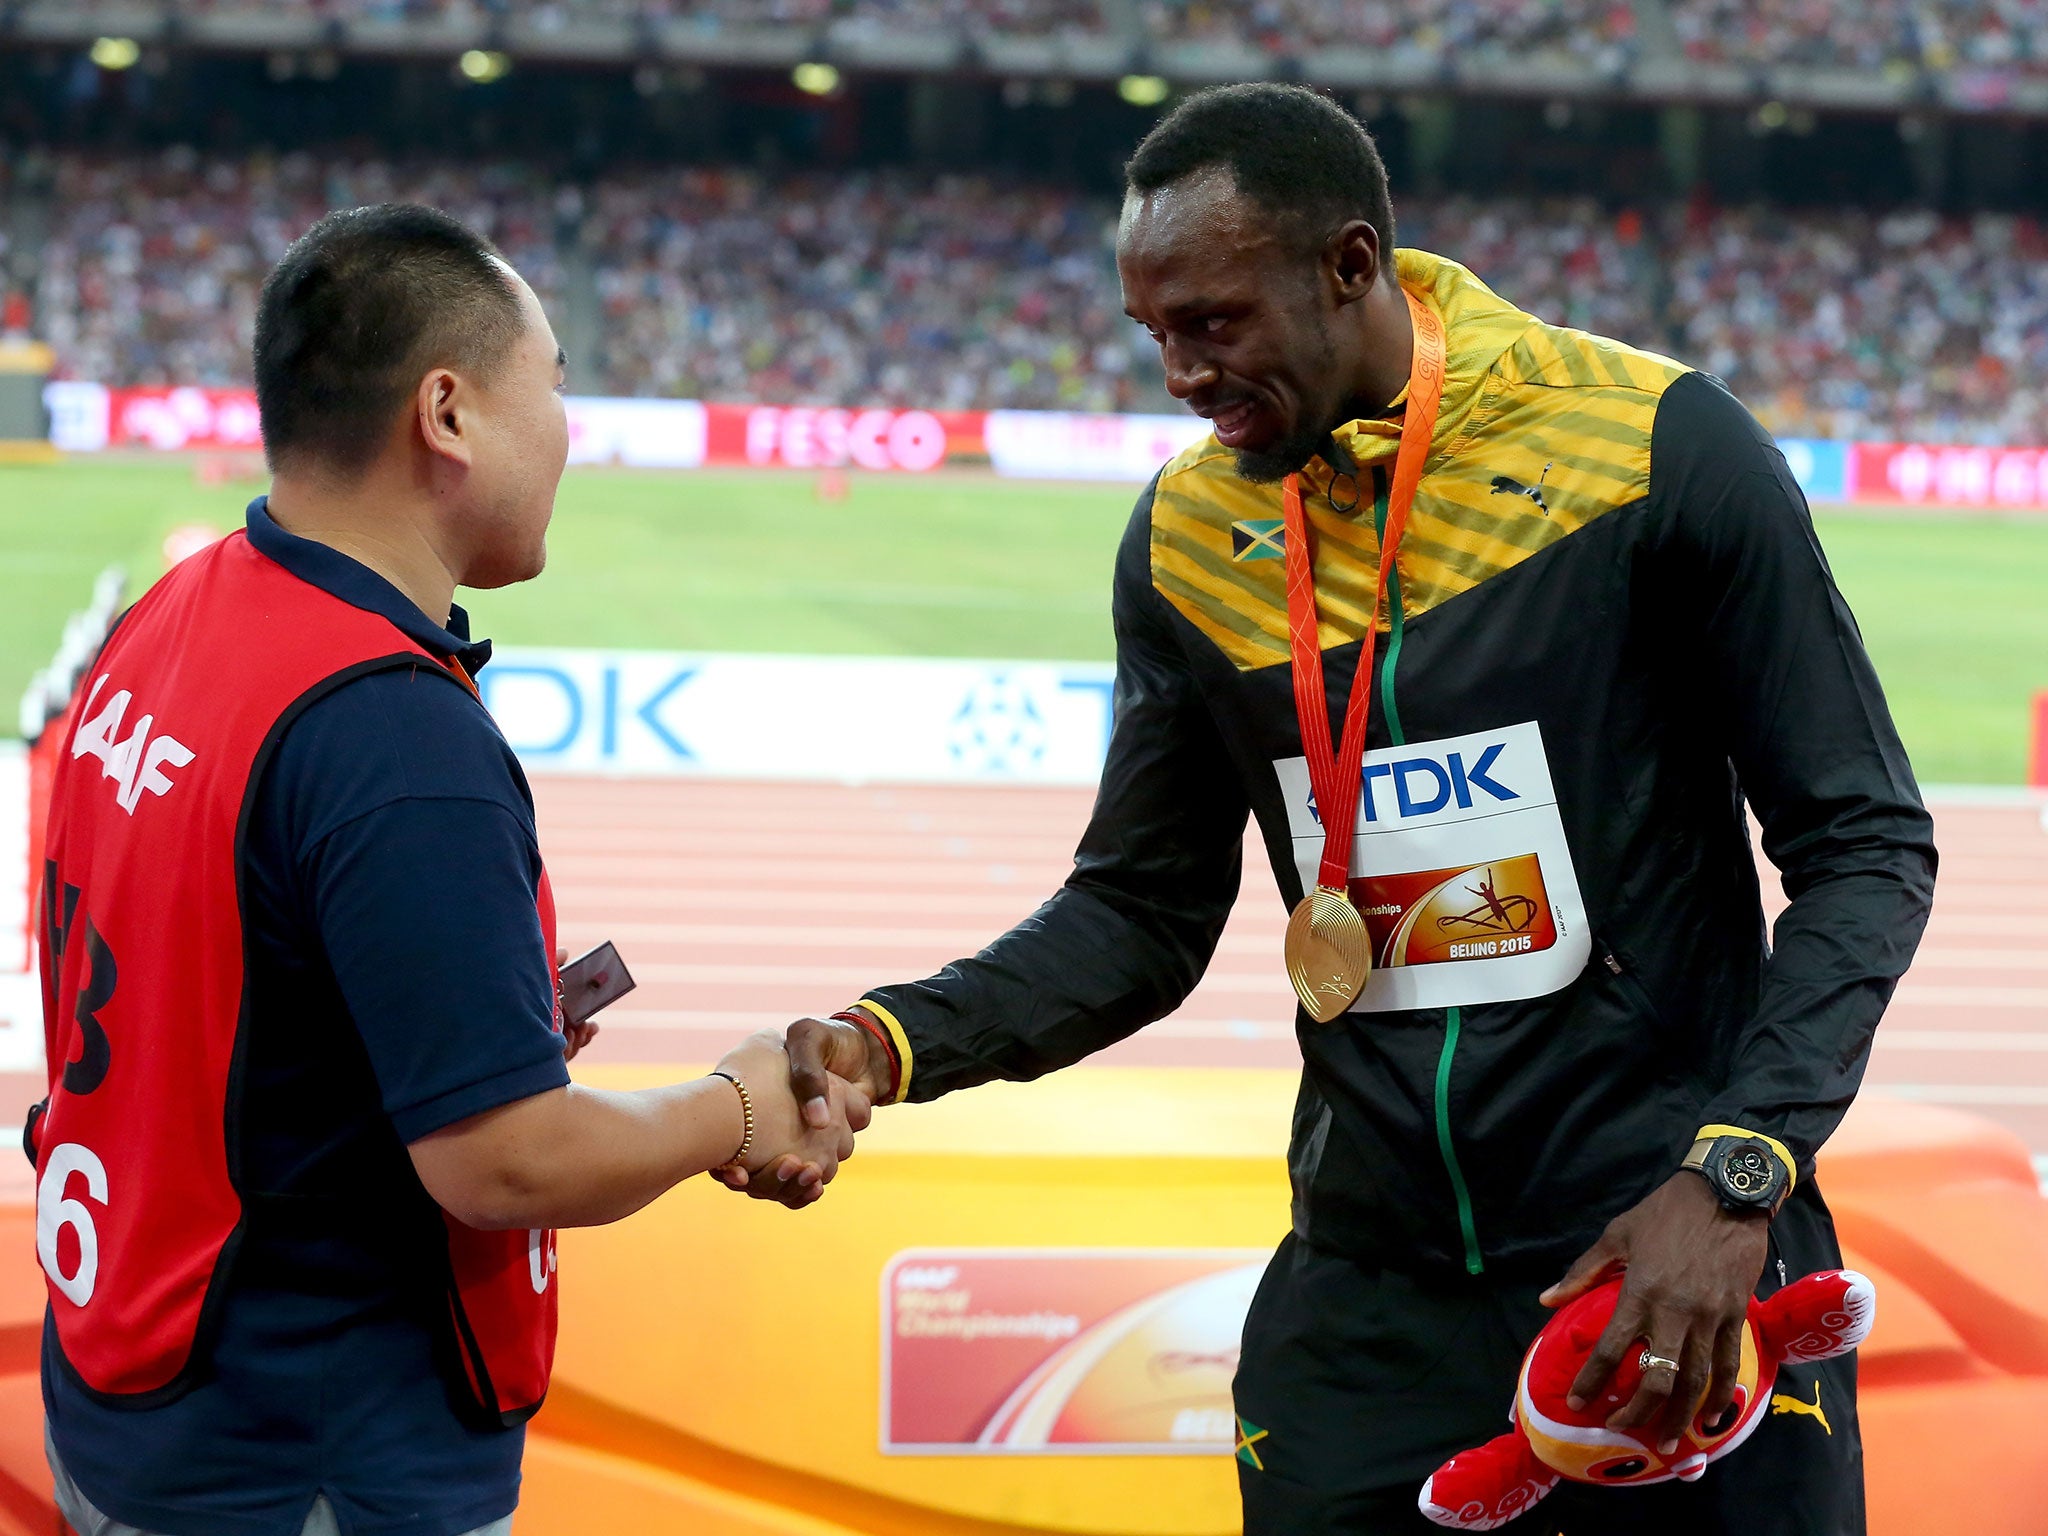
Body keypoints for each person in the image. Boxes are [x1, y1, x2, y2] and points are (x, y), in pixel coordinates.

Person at [762, 84, 1936, 1534]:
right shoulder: (1191, 540)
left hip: (1669, 1262)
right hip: (1370, 1303)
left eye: (1214, 322)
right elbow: (1139, 912)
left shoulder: (1651, 445)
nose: (1181, 375)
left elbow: (1866, 841)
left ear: (1349, 263)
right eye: (1155, 334)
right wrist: (891, 1039)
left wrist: (1738, 1174)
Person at [29, 204, 865, 1536]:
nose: (571, 434)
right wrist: (741, 1103)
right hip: (308, 1455)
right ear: (449, 414)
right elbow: (508, 1165)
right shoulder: (389, 731)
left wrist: (465, 1015)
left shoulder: (172, 611)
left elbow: (215, 958)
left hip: (135, 1384)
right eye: (555, 388)